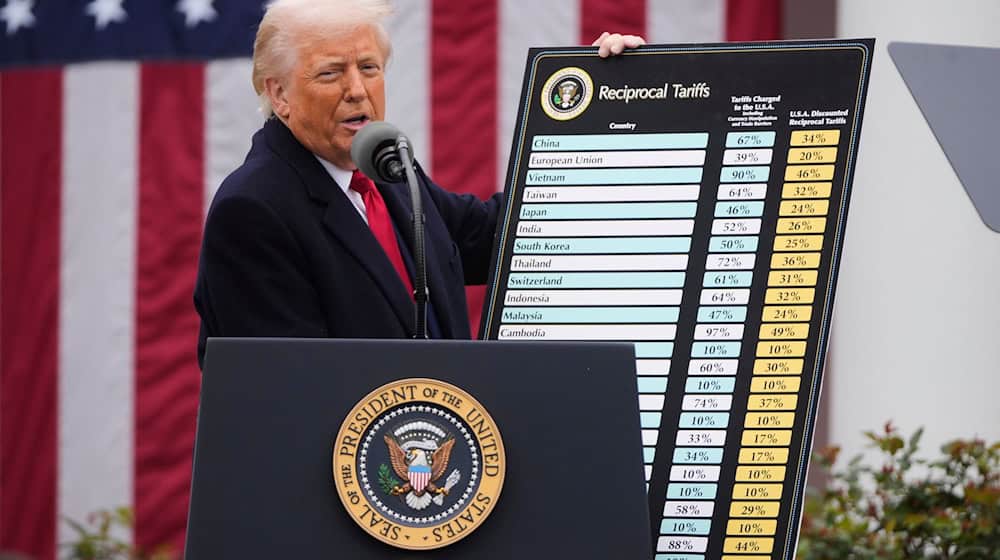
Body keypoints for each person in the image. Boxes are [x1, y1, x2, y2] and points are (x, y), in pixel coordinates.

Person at [193, 0, 644, 367]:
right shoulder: (253, 210)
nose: (357, 89)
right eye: (331, 72)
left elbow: (500, 237)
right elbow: (288, 391)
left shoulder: (385, 172)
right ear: (279, 94)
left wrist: (606, 105)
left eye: (369, 67)